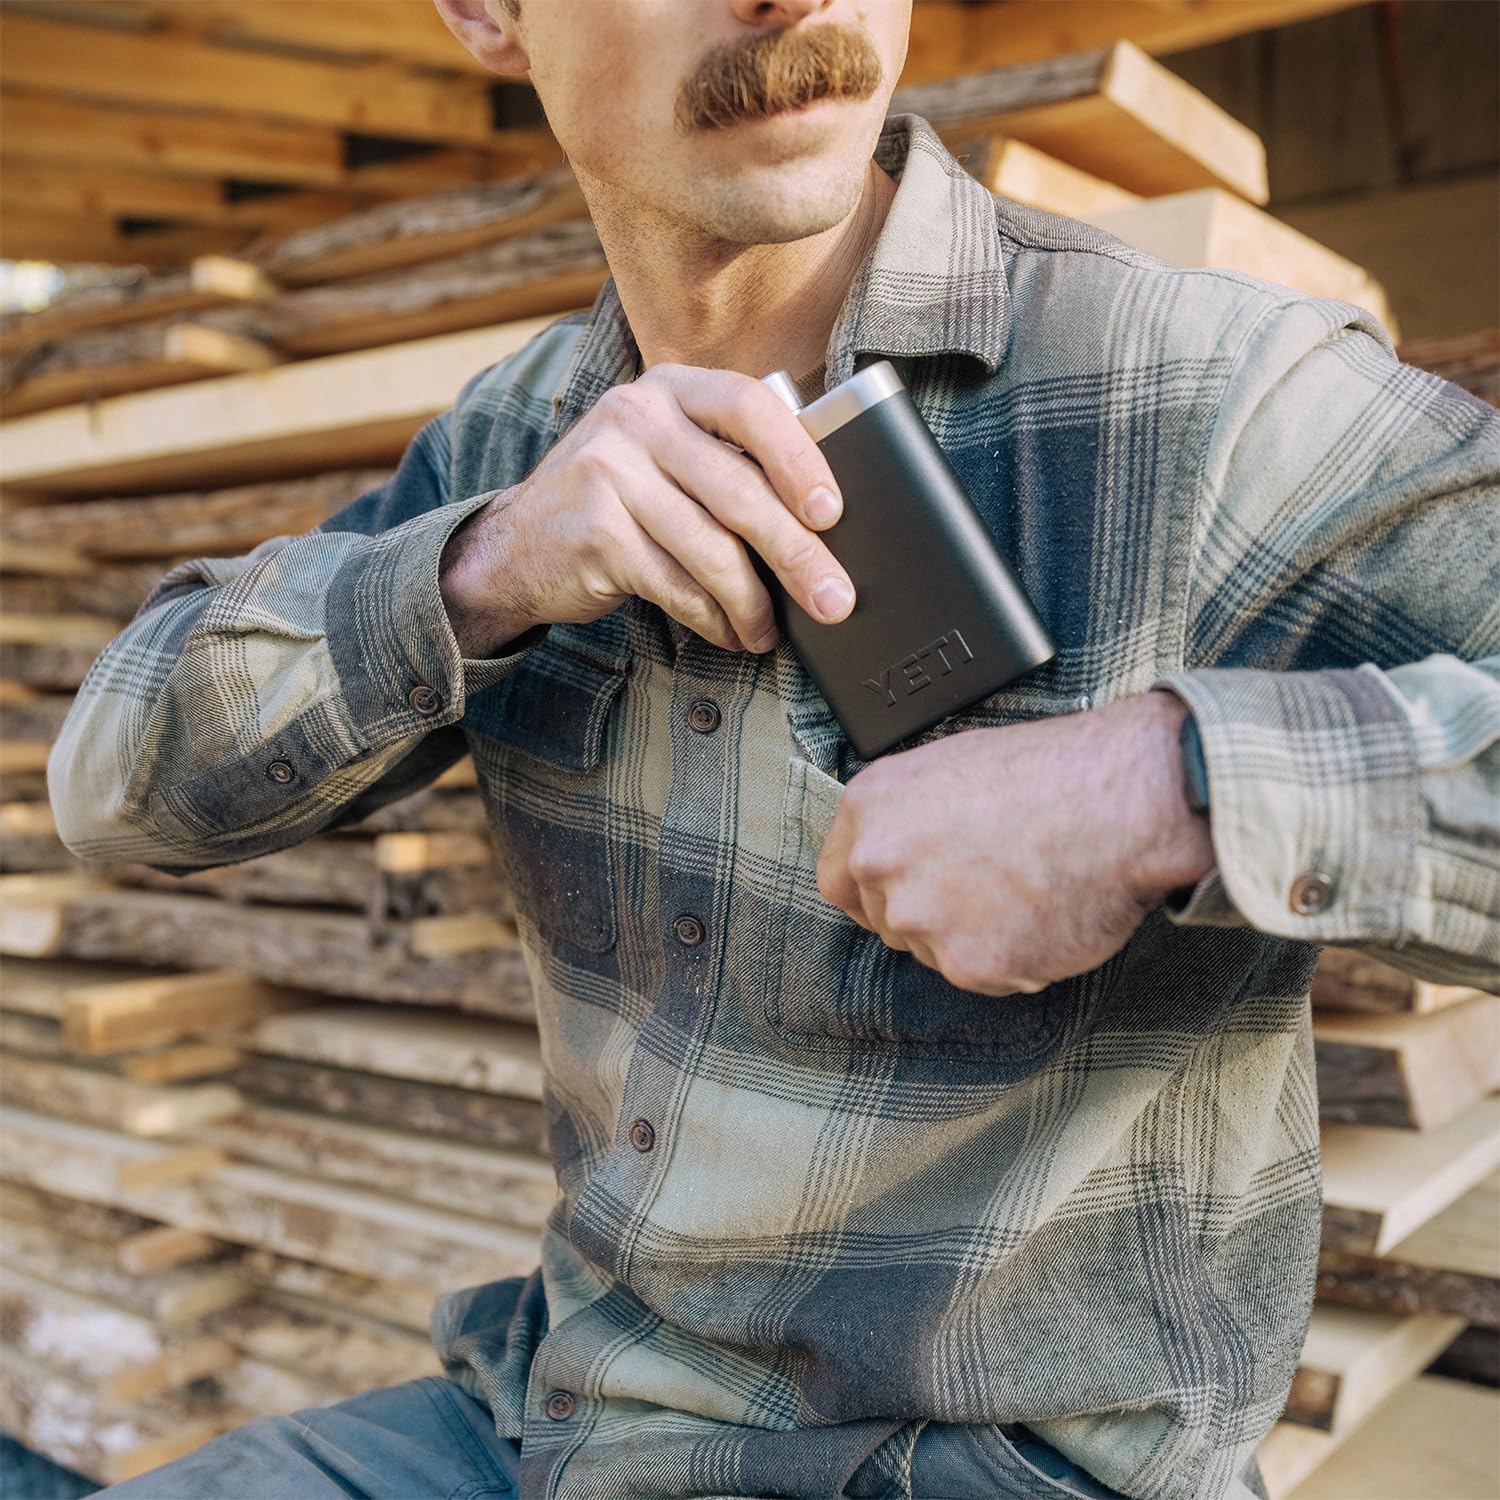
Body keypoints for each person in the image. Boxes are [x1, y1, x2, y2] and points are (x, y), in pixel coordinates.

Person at [49, 1, 1498, 1498]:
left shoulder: (1199, 389)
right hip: (555, 1433)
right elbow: (110, 788)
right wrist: (479, 571)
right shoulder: (517, 443)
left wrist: (1170, 784)